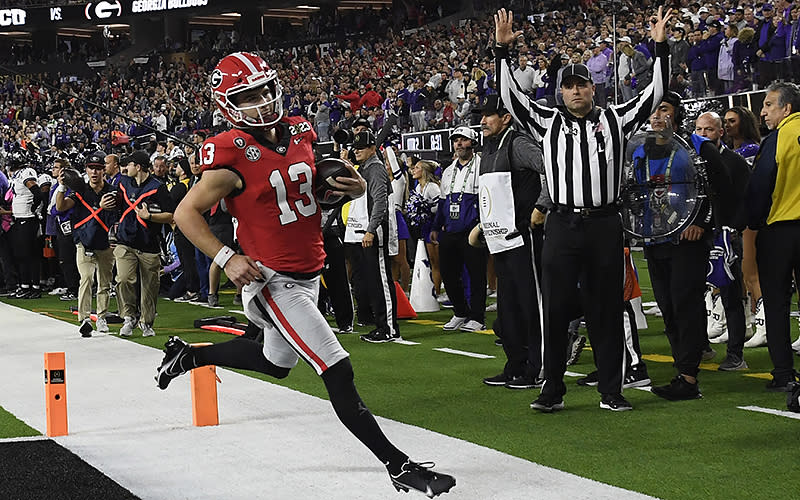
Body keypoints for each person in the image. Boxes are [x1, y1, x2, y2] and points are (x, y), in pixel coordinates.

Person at [159, 51, 454, 497]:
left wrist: (346, 187)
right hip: (271, 278)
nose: (261, 101)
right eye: (248, 95)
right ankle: (397, 465)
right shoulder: (229, 154)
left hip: (307, 269)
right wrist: (226, 258)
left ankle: (190, 357)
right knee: (337, 369)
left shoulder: (298, 131)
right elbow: (185, 212)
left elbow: (305, 196)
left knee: (277, 364)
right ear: (227, 105)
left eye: (264, 89)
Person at [493, 6, 672, 412]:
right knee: (555, 309)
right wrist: (502, 52)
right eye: (569, 86)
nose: (576, 91)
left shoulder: (616, 118)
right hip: (562, 224)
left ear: (594, 88)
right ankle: (552, 388)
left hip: (605, 225)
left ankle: (611, 390)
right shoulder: (545, 121)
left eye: (582, 85)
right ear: (560, 92)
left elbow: (654, 94)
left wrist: (660, 46)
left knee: (606, 308)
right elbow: (511, 97)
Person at [472, 94, 546, 391]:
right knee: (508, 309)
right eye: (483, 115)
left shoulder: (518, 144)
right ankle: (515, 364)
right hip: (499, 240)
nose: (483, 120)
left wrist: (542, 207)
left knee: (531, 305)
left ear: (506, 118)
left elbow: (552, 169)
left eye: (490, 115)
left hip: (523, 237)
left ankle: (537, 367)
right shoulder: (489, 149)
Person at [746, 81, 800, 392]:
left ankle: (783, 374)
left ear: (786, 108)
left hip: (780, 230)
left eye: (768, 105)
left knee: (777, 305)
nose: (763, 111)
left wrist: (752, 221)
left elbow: (760, 184)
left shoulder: (779, 138)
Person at [693, 112, 751, 371]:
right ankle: (701, 346)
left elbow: (745, 201)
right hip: (697, 236)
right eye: (699, 129)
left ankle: (736, 354)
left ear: (720, 132)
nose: (703, 134)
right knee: (694, 294)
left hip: (725, 238)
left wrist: (733, 230)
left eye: (708, 129)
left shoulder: (735, 163)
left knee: (730, 296)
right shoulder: (691, 161)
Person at [54, 150, 118, 337]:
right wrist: (61, 186)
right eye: (91, 168)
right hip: (84, 242)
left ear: (104, 170)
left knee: (105, 282)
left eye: (98, 168)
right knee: (87, 278)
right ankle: (84, 319)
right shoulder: (80, 190)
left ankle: (102, 317)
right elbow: (60, 207)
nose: (95, 172)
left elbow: (117, 215)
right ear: (86, 170)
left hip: (105, 242)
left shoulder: (112, 191)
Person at [344, 130, 400, 343]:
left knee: (381, 281)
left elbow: (380, 202)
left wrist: (370, 229)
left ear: (373, 149)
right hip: (370, 229)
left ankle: (389, 329)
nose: (356, 150)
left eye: (361, 147)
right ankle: (381, 326)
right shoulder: (366, 168)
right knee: (374, 280)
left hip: (374, 230)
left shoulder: (375, 169)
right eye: (355, 146)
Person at [430, 126, 487, 333]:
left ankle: (478, 317)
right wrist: (437, 226)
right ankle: (461, 311)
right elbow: (444, 202)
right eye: (456, 140)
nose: (459, 144)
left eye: (463, 140)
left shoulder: (482, 165)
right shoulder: (448, 170)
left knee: (476, 274)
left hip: (473, 231)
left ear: (472, 142)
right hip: (450, 229)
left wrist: (482, 225)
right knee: (448, 273)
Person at [115, 149, 175, 337]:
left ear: (138, 167)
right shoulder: (123, 183)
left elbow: (171, 215)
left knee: (150, 286)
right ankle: (128, 317)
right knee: (123, 279)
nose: (126, 168)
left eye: (130, 165)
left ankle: (146, 322)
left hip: (149, 243)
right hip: (125, 241)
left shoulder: (158, 187)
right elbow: (116, 206)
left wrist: (150, 216)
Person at [6, 148, 43, 299]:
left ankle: (31, 287)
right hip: (21, 218)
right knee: (23, 255)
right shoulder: (18, 175)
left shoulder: (26, 172)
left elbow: (36, 191)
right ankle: (26, 286)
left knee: (27, 255)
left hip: (27, 219)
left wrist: (34, 208)